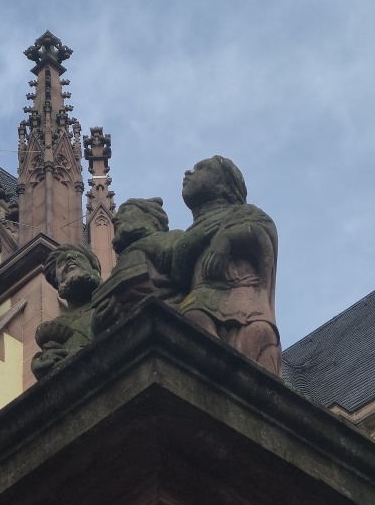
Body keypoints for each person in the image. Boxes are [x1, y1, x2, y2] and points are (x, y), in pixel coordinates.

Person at [173, 156, 280, 373]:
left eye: (201, 168)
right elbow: (177, 268)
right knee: (191, 321)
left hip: (245, 300)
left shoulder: (247, 215)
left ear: (225, 187)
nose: (188, 173)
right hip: (202, 301)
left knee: (259, 340)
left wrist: (227, 239)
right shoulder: (189, 236)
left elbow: (263, 237)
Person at [91, 197, 182, 335]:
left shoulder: (170, 240)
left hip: (167, 321)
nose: (115, 220)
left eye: (126, 211)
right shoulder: (125, 258)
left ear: (150, 218)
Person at [32, 245, 102, 379]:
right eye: (61, 262)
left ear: (93, 270)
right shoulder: (55, 328)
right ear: (57, 281)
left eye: (79, 257)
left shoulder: (109, 301)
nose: (70, 258)